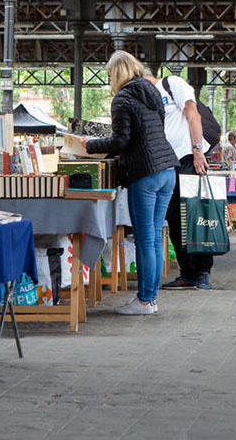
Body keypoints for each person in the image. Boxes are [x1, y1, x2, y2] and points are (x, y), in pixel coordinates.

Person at [81, 50, 177, 316]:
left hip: (145, 173)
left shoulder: (123, 98)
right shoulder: (151, 91)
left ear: (118, 71)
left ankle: (145, 301)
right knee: (155, 238)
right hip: (167, 169)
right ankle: (151, 298)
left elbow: (121, 141)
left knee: (146, 240)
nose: (109, 77)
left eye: (110, 72)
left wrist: (89, 145)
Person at [148, 71, 215, 290]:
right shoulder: (148, 97)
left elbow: (192, 114)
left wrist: (198, 152)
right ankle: (188, 273)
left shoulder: (171, 83)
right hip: (167, 164)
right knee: (175, 219)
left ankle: (203, 271)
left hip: (189, 159)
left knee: (196, 215)